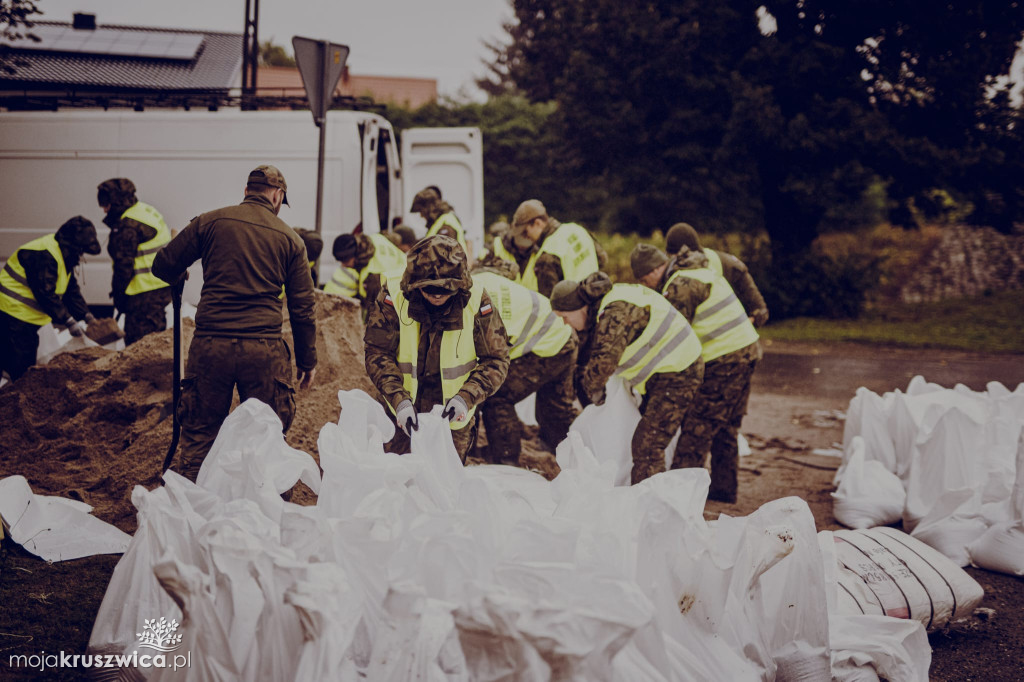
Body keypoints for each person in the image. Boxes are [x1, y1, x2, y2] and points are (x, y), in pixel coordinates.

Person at [151, 164, 317, 482]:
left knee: (199, 441)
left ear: (246, 191)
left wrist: (177, 272)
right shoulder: (291, 240)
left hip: (211, 346)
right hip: (264, 351)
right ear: (277, 195)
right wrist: (308, 360)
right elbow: (303, 308)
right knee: (270, 443)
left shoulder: (209, 221)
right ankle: (268, 521)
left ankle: (191, 519)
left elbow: (163, 265)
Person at [631, 243, 761, 502]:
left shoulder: (680, 287)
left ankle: (680, 500)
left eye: (647, 279)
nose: (649, 286)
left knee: (695, 431)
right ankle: (723, 492)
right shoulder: (699, 271)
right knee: (725, 426)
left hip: (725, 360)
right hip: (747, 353)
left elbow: (672, 338)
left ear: (657, 268)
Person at [364, 235, 510, 460]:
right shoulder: (393, 294)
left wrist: (466, 397)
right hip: (401, 412)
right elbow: (378, 352)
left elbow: (496, 359)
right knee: (395, 480)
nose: (437, 296)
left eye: (445, 290)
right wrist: (399, 400)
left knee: (445, 485)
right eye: (429, 289)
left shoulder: (476, 298)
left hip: (454, 416)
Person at [550, 271, 704, 485]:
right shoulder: (605, 306)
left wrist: (592, 390)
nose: (565, 324)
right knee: (648, 437)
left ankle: (651, 509)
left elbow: (604, 362)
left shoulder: (615, 312)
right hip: (666, 372)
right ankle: (663, 494)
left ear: (580, 307)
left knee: (648, 445)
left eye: (564, 317)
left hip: (680, 371)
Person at [473, 264, 578, 464]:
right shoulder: (481, 278)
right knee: (554, 409)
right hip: (561, 333)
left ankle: (507, 462)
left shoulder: (474, 313)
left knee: (496, 395)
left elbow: (483, 365)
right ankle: (568, 458)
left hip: (550, 344)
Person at [0, 216, 101, 382]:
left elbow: (70, 291)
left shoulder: (62, 255)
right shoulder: (45, 255)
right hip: (13, 313)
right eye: (81, 250)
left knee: (23, 363)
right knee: (19, 368)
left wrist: (86, 315)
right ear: (73, 245)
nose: (81, 254)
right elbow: (45, 293)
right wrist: (68, 321)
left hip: (24, 317)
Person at [96, 178, 172, 345]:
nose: (104, 209)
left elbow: (123, 267)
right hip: (160, 288)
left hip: (143, 294)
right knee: (155, 341)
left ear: (115, 201)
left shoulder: (127, 226)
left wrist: (119, 298)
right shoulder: (145, 211)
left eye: (105, 203)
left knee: (139, 344)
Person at [490, 199, 607, 297]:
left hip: (574, 315)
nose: (526, 237)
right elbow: (602, 259)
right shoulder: (577, 229)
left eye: (525, 232)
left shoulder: (547, 255)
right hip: (595, 299)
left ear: (538, 223)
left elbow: (548, 305)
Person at [664, 222, 769, 327]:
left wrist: (743, 325)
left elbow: (761, 310)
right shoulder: (671, 269)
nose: (676, 262)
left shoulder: (729, 265)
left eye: (679, 257)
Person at [324, 231, 406, 312]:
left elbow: (378, 311)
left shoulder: (373, 276)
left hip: (401, 294)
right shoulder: (374, 238)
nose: (343, 265)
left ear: (355, 255)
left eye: (345, 261)